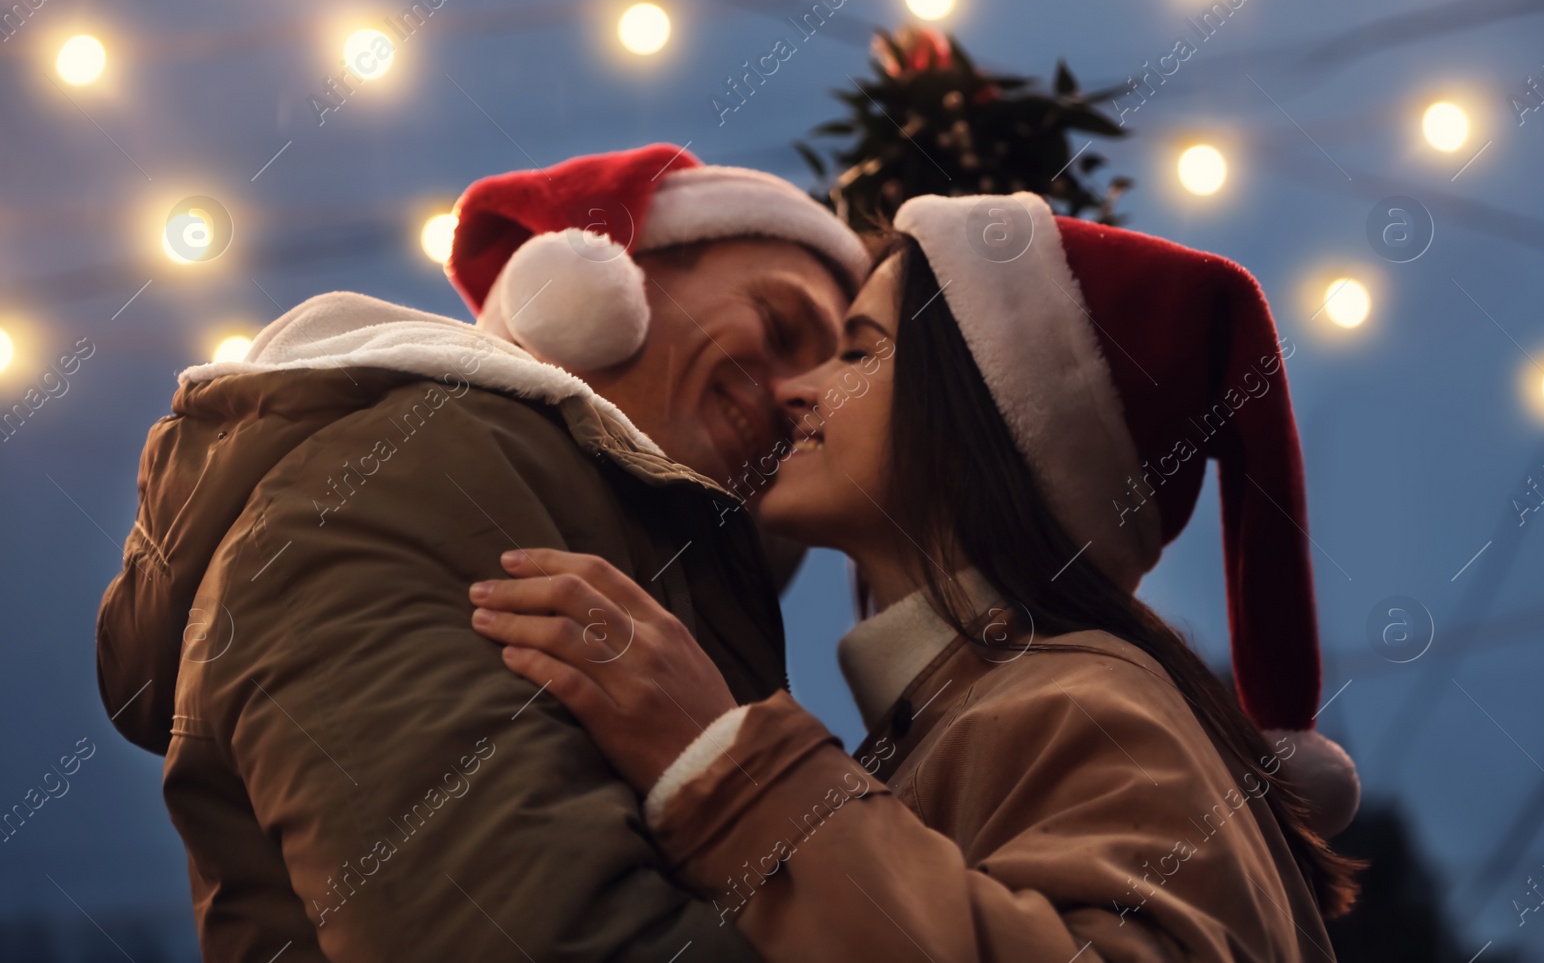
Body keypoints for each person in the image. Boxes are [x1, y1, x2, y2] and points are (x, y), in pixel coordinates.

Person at [468, 191, 1365, 961]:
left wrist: (725, 766)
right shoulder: (957, 717)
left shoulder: (1086, 702)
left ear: (981, 412)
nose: (792, 390)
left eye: (857, 351)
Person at [94, 144, 869, 963]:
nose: (798, 396)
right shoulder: (396, 482)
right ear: (599, 284)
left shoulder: (541, 510)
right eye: (782, 326)